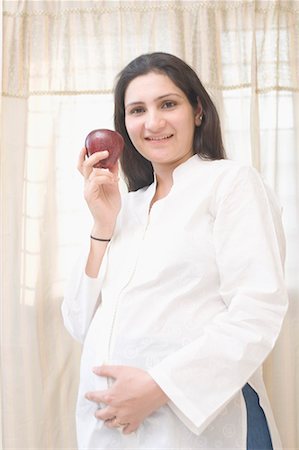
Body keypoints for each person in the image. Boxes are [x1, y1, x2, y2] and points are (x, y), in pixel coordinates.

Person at [62, 52, 288, 450]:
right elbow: (80, 323)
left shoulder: (230, 183)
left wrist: (158, 387)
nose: (153, 122)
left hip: (203, 424)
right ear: (124, 125)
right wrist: (102, 226)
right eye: (137, 110)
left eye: (168, 104)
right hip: (116, 434)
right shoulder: (126, 206)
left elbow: (257, 310)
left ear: (197, 110)